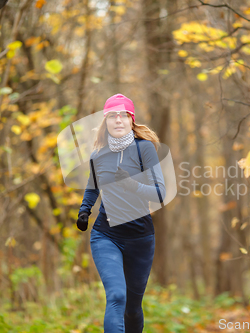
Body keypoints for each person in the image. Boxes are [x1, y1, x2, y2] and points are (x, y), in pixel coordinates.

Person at [76, 93, 166, 333]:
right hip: (106, 235)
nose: (118, 120)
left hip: (140, 238)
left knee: (133, 308)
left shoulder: (144, 149)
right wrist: (85, 210)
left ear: (131, 120)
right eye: (112, 116)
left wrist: (131, 184)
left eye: (123, 115)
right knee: (116, 296)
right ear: (105, 122)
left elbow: (160, 193)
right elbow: (92, 186)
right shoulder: (98, 154)